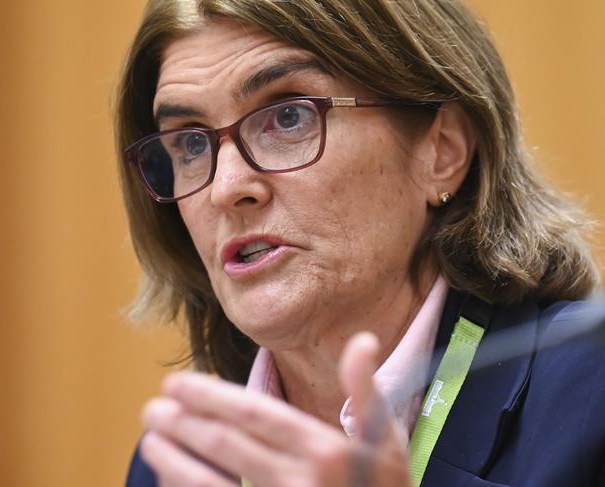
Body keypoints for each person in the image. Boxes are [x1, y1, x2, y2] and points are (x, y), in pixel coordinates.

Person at [116, 1, 605, 485]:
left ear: (443, 150)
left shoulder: (591, 393)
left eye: (288, 117)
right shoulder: (187, 460)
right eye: (191, 144)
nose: (225, 189)